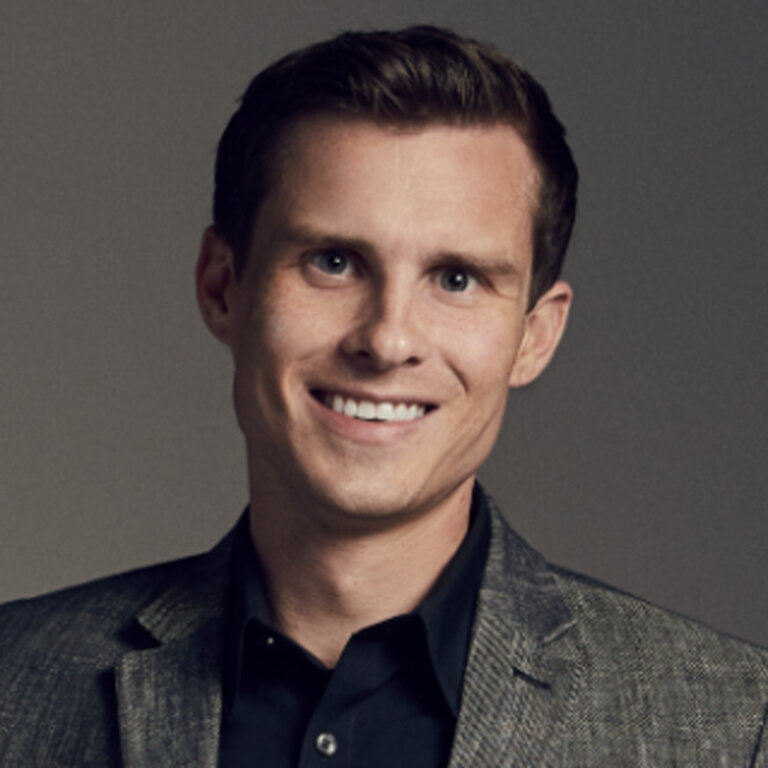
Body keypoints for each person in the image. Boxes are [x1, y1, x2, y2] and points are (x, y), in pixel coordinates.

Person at [1, 25, 766, 768]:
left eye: (457, 278)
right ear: (222, 288)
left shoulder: (736, 726)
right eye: (334, 261)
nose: (388, 338)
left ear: (535, 335)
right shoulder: (14, 686)